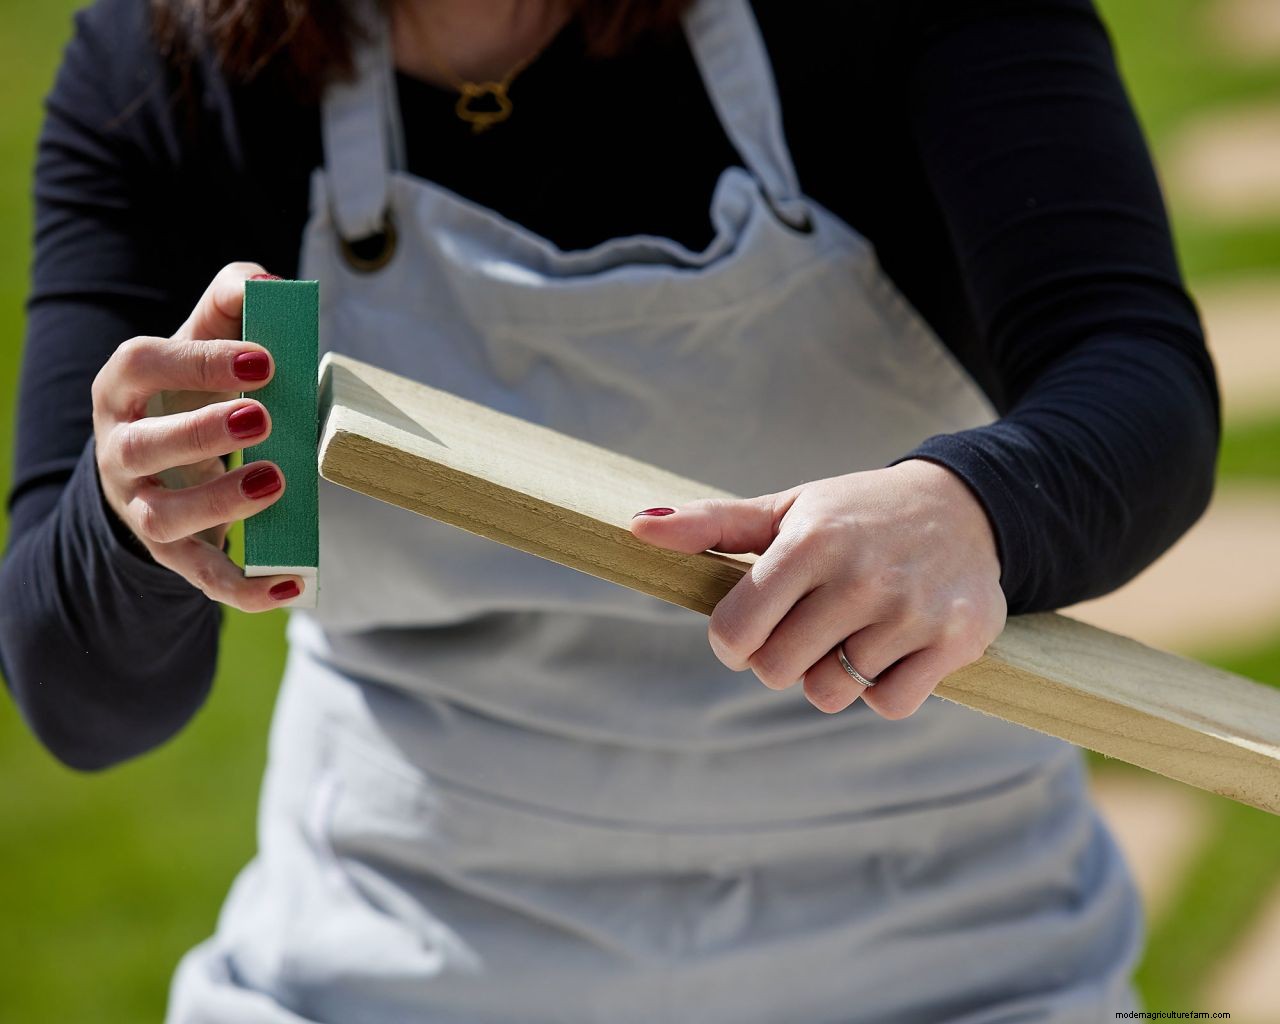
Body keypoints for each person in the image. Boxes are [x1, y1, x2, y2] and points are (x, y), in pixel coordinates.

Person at [0, 0, 1220, 1019]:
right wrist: (128, 522)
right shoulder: (167, 62)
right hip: (389, 965)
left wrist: (975, 506)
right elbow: (77, 697)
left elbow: (1136, 376)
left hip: (951, 958)